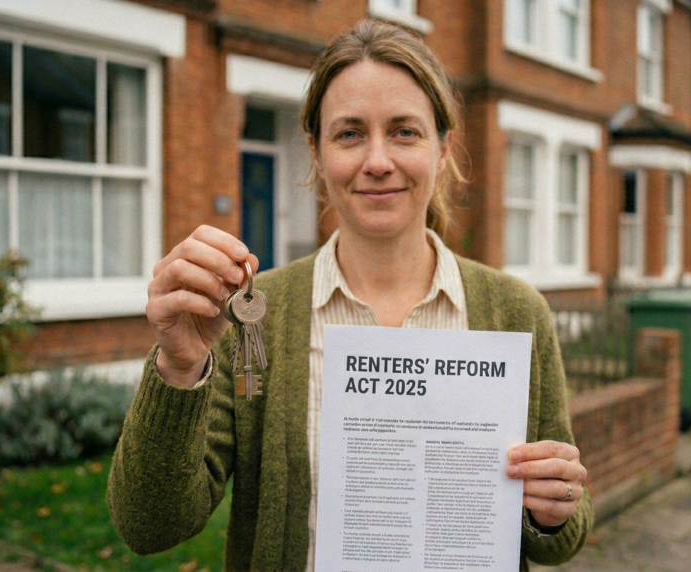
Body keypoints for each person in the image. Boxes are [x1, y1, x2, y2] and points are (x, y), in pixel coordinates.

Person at [107, 19, 592, 571]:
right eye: (350, 133)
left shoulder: (516, 312)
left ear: (442, 148)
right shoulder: (252, 318)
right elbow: (148, 526)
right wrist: (178, 364)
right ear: (316, 151)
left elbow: (564, 529)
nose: (378, 160)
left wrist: (553, 510)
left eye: (405, 131)